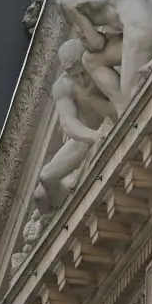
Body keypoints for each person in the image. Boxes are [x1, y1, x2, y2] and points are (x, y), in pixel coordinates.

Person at [35, 39, 117, 211]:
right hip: (86, 138)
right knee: (45, 181)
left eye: (82, 71)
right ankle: (57, 216)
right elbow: (68, 122)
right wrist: (93, 136)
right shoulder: (63, 86)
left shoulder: (102, 63)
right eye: (74, 74)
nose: (81, 79)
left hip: (111, 121)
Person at [57, 0, 152, 113]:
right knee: (92, 60)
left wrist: (83, 36)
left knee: (131, 98)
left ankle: (122, 109)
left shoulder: (68, 2)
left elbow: (97, 43)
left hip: (141, 33)